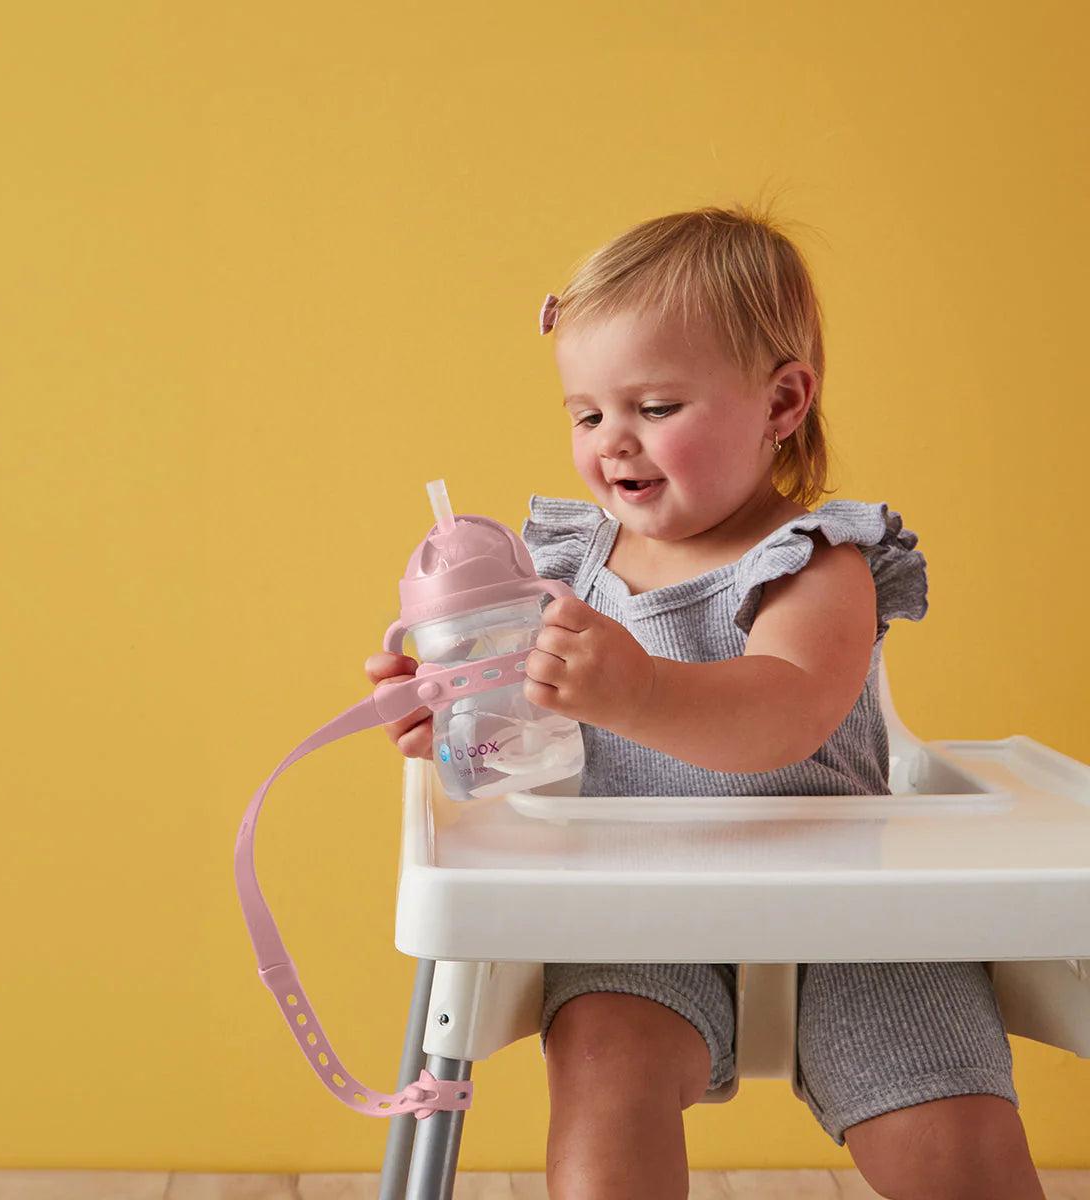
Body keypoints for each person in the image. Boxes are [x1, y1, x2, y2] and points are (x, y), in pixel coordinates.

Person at [364, 207, 1044, 1200]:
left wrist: (639, 687)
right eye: (587, 416)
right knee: (605, 1084)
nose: (613, 442)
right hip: (639, 907)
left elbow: (785, 711)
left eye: (655, 407)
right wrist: (464, 717)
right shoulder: (560, 568)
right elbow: (533, 734)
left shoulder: (816, 562)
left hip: (854, 914)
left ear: (783, 402)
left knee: (950, 1144)